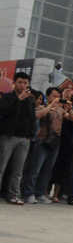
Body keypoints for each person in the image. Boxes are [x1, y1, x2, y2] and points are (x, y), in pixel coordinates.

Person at [22, 87, 73, 204]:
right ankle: (28, 193)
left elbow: (71, 118)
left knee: (47, 170)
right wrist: (50, 107)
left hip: (55, 143)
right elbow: (37, 115)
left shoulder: (60, 109)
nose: (56, 98)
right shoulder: (43, 106)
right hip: (42, 141)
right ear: (48, 96)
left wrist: (70, 109)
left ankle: (40, 193)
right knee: (35, 169)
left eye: (58, 96)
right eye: (53, 95)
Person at [0, 73, 39, 205]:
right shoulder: (7, 97)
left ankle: (14, 195)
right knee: (1, 167)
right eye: (20, 82)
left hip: (23, 139)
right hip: (7, 137)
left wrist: (30, 135)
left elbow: (33, 119)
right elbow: (3, 111)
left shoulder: (30, 101)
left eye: (25, 83)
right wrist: (18, 100)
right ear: (14, 83)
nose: (22, 85)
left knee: (18, 170)